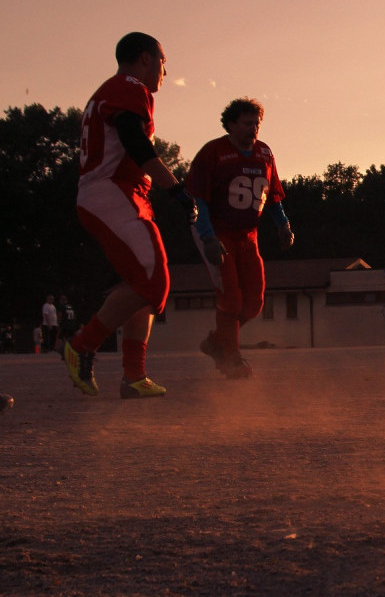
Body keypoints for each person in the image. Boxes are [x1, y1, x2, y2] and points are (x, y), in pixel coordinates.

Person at [63, 32, 195, 399]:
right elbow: (136, 143)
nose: (165, 71)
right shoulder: (130, 86)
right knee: (153, 279)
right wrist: (176, 189)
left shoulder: (113, 90)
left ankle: (133, 375)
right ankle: (81, 345)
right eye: (163, 61)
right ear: (145, 59)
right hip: (111, 191)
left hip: (120, 193)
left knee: (145, 287)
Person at [186, 98, 294, 379]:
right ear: (230, 124)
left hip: (248, 236)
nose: (253, 128)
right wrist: (208, 236)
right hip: (218, 232)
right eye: (247, 123)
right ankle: (232, 358)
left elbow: (271, 196)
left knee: (254, 303)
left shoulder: (265, 153)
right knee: (231, 299)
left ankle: (216, 342)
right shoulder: (213, 152)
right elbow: (198, 199)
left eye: (257, 123)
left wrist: (283, 224)